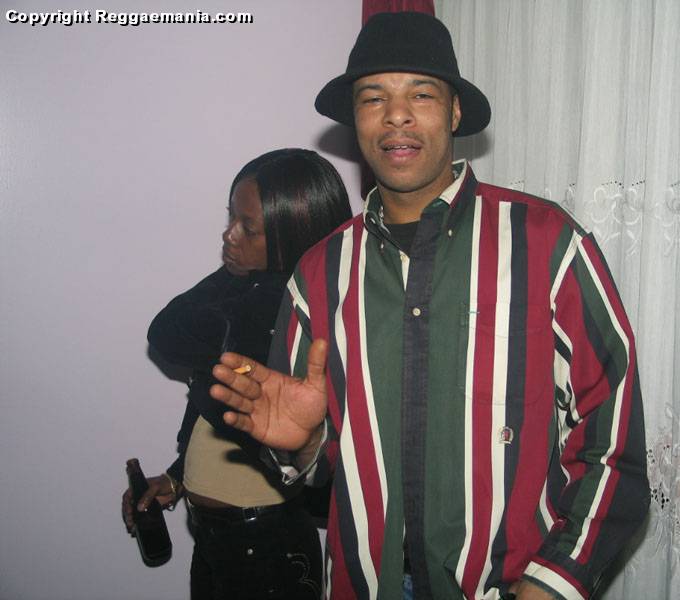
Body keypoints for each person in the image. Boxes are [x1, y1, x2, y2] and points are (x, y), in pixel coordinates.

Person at [211, 12, 649, 600]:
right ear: (355, 120)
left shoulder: (548, 245)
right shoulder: (316, 275)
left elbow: (612, 447)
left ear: (455, 111)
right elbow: (320, 469)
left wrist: (552, 584)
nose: (397, 115)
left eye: (421, 94)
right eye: (374, 98)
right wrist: (306, 444)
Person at [122, 148, 352, 600]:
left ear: (292, 236)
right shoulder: (253, 295)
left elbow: (165, 333)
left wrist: (241, 275)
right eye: (231, 217)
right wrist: (177, 477)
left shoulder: (283, 315)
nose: (228, 235)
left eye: (248, 227)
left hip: (263, 546)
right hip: (220, 537)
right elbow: (223, 418)